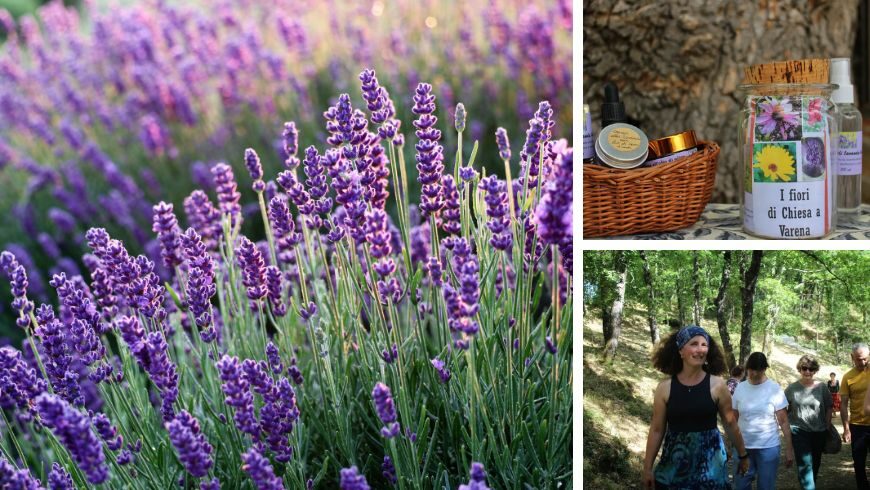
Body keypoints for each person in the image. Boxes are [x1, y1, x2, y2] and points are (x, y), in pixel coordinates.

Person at [643, 325, 749, 489]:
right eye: (694, 344)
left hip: (710, 467)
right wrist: (647, 467)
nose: (700, 349)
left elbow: (730, 423)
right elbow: (657, 429)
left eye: (704, 344)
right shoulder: (665, 388)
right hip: (674, 465)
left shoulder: (718, 385)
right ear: (680, 350)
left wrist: (743, 455)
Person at [731, 351, 794, 490]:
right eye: (751, 370)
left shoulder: (774, 389)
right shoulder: (740, 388)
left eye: (758, 371)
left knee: (766, 487)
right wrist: (729, 443)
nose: (753, 374)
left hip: (768, 448)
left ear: (765, 369)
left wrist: (789, 449)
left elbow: (783, 421)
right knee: (740, 485)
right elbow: (733, 418)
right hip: (743, 448)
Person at [784, 355, 832, 490]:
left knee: (815, 464)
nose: (807, 372)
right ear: (800, 369)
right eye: (804, 368)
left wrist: (827, 425)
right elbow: (783, 409)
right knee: (805, 465)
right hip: (799, 431)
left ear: (815, 371)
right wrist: (787, 424)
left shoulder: (822, 387)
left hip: (819, 432)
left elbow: (829, 406)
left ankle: (809, 484)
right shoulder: (791, 388)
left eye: (811, 369)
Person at [842, 343, 870, 490]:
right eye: (859, 359)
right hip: (857, 426)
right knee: (859, 463)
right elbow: (843, 404)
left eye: (865, 359)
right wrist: (846, 428)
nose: (862, 362)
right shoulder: (847, 377)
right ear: (852, 357)